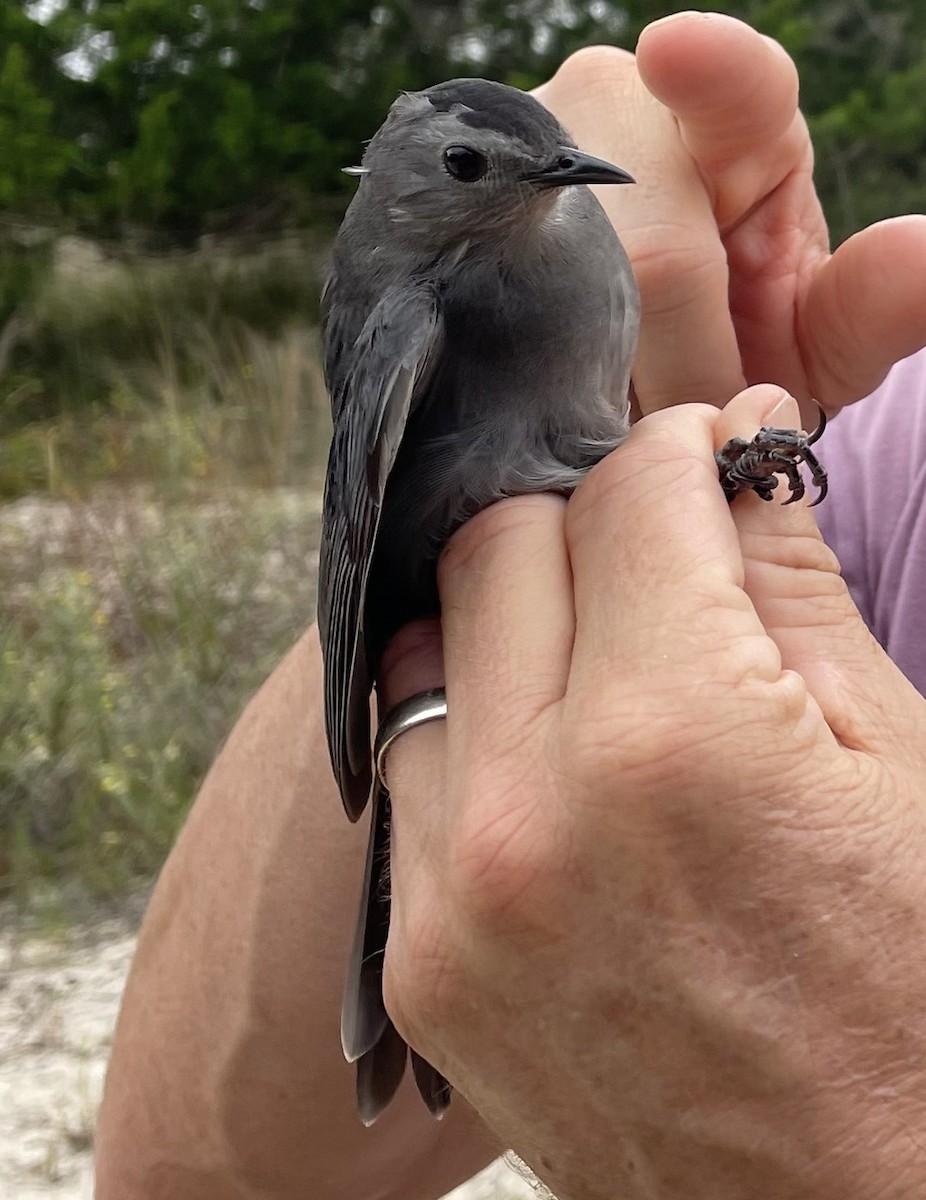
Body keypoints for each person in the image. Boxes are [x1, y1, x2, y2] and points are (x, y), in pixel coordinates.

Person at [94, 12, 926, 1200]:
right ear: (405, 188)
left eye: (554, 164)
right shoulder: (406, 308)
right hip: (458, 590)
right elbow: (364, 531)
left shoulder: (575, 227)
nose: (553, 187)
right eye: (471, 168)